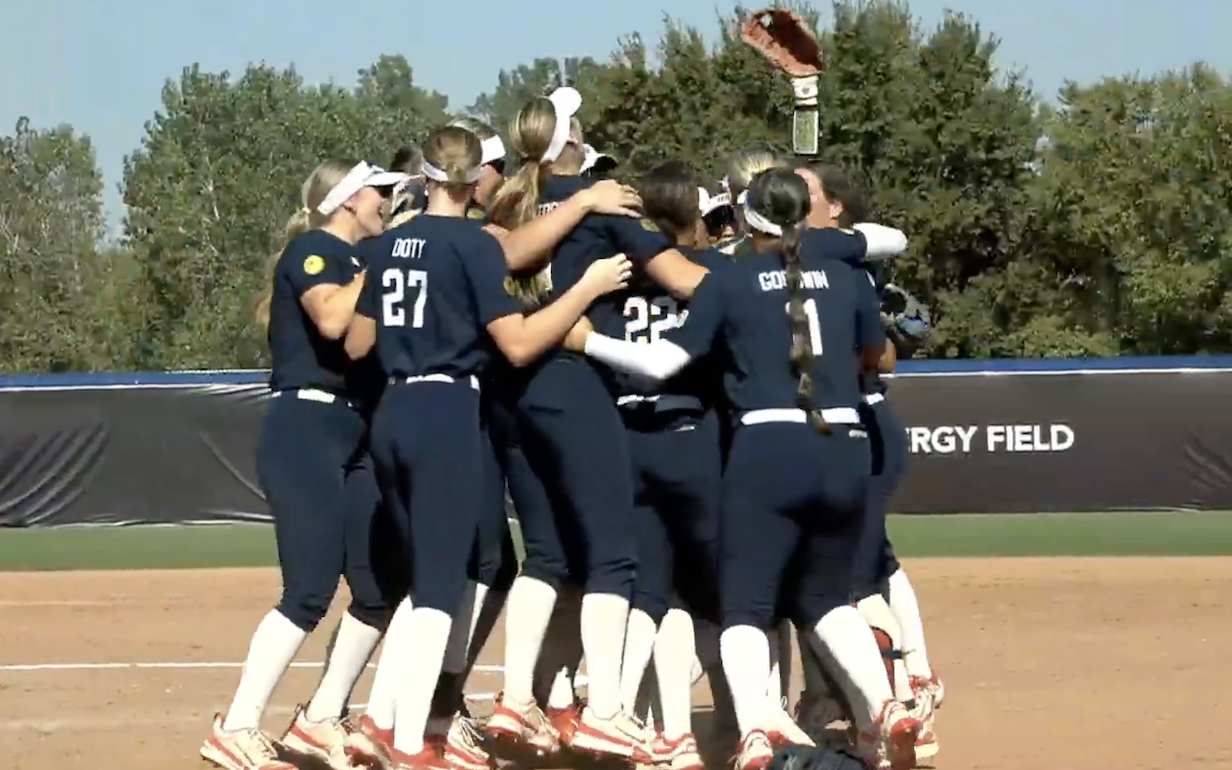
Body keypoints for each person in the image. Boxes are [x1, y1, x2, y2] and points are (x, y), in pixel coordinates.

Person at [566, 167, 922, 770]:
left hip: (768, 451)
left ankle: (756, 729)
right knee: (830, 599)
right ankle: (888, 705)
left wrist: (586, 342)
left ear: (743, 217)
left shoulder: (726, 281)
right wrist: (834, 244)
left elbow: (660, 365)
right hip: (846, 447)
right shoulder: (843, 271)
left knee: (743, 609)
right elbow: (873, 349)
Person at [339, 126, 633, 770]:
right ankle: (413, 744)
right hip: (445, 408)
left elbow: (358, 344)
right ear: (475, 181)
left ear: (424, 175)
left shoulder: (388, 245)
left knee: (422, 581)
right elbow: (522, 345)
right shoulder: (473, 245)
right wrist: (584, 291)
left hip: (392, 408)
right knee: (446, 584)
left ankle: (381, 722)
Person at [483, 87, 707, 763]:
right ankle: (605, 708)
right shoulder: (607, 201)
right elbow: (684, 278)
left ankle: (517, 698)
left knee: (549, 554)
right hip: (575, 387)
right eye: (577, 120)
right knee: (615, 555)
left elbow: (506, 259)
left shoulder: (505, 207)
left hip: (510, 395)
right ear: (570, 140)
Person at [201, 159, 408, 770]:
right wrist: (381, 266)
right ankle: (236, 727)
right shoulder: (314, 250)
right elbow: (333, 318)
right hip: (306, 427)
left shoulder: (357, 258)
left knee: (377, 588)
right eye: (378, 192)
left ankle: (321, 718)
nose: (386, 202)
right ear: (346, 199)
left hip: (356, 430)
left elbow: (366, 341)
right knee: (309, 591)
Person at [793, 162, 943, 759]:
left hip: (863, 421)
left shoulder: (845, 263)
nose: (794, 200)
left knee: (859, 574)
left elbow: (883, 361)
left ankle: (901, 698)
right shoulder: (802, 260)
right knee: (867, 561)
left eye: (808, 194)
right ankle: (870, 689)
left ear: (837, 211)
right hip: (832, 428)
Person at [601, 162, 726, 770]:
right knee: (724, 594)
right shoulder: (714, 273)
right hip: (692, 435)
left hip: (628, 437)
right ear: (695, 215)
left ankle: (635, 720)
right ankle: (746, 719)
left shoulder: (616, 273)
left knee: (650, 591)